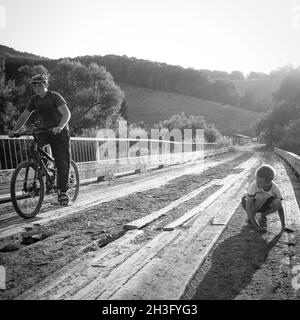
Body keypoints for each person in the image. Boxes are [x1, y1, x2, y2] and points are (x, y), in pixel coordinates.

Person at [8, 74, 71, 205]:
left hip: (60, 132)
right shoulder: (34, 100)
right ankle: (42, 167)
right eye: (34, 85)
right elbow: (24, 115)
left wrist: (60, 127)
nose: (37, 87)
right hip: (45, 131)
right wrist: (15, 130)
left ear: (46, 84)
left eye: (39, 84)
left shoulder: (54, 96)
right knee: (34, 147)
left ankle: (63, 192)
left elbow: (66, 114)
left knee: (61, 162)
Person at [241, 164, 294, 233]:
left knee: (278, 202)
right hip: (249, 203)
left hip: (263, 205)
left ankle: (263, 215)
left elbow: (280, 207)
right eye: (256, 179)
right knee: (261, 196)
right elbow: (248, 206)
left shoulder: (275, 188)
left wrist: (283, 225)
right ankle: (252, 217)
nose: (257, 182)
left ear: (269, 182)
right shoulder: (254, 185)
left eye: (260, 182)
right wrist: (257, 227)